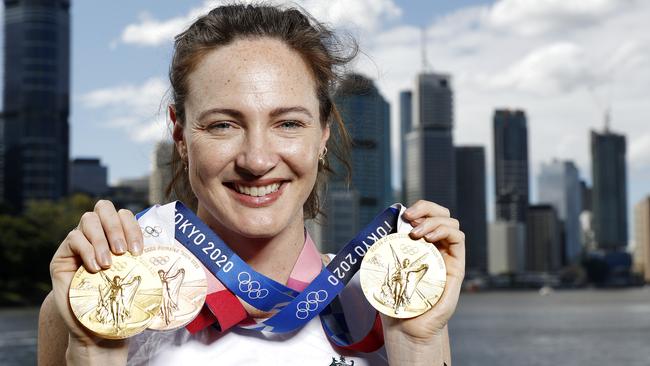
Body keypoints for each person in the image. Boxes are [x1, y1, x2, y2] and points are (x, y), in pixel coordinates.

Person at [38, 4, 465, 365]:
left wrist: (417, 345)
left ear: (324, 134)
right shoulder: (93, 298)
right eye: (223, 124)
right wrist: (96, 353)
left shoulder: (391, 298)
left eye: (288, 123)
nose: (257, 160)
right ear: (181, 135)